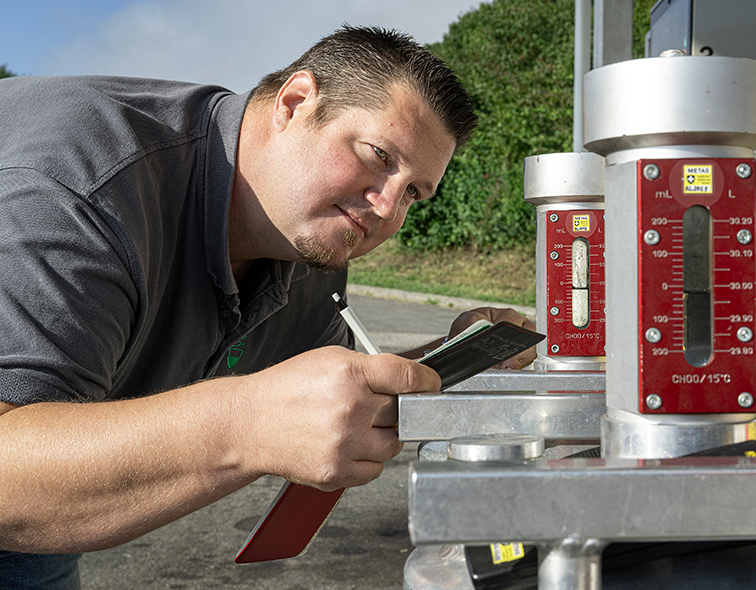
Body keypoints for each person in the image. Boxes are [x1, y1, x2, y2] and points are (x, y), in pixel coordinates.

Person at [0, 25, 536, 588]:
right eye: (379, 156)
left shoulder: (310, 231)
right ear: (295, 103)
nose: (386, 209)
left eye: (413, 193)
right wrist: (247, 424)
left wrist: (442, 361)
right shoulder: (78, 190)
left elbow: (321, 399)